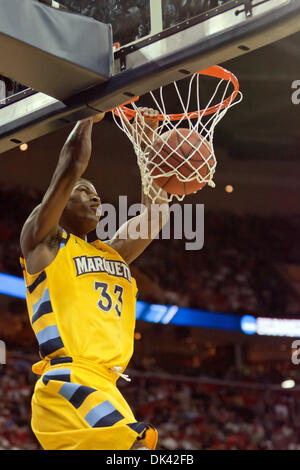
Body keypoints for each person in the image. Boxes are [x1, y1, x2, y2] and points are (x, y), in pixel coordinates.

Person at [19, 108, 169, 450]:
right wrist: (88, 115)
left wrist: (146, 143)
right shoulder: (44, 243)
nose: (95, 197)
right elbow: (71, 166)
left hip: (107, 386)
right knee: (138, 449)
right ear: (59, 200)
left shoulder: (114, 253)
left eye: (96, 193)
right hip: (67, 382)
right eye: (83, 191)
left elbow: (157, 211)